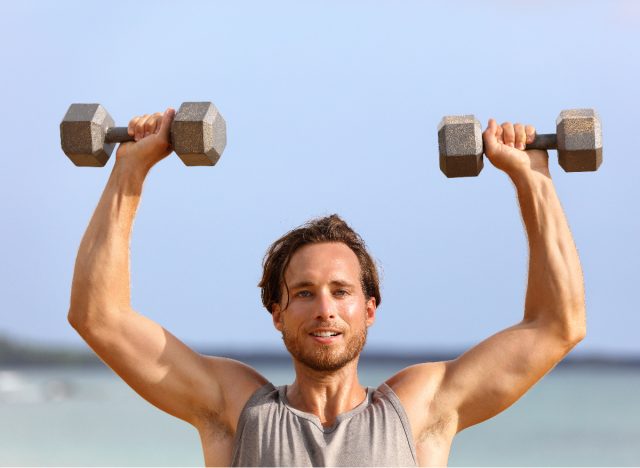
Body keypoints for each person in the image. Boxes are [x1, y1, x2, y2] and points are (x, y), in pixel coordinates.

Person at [68, 108, 586, 467]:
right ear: (277, 312)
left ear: (370, 309)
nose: (325, 310)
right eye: (304, 293)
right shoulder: (235, 410)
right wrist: (129, 172)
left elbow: (557, 327)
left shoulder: (419, 412)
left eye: (341, 292)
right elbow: (99, 317)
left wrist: (533, 180)